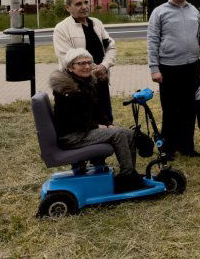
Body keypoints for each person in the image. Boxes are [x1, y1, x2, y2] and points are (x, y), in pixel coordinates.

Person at [49, 48, 145, 193]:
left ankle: (130, 173)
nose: (87, 66)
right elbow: (71, 120)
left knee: (129, 134)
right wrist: (97, 126)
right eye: (81, 63)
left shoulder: (86, 81)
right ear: (70, 67)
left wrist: (107, 124)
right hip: (72, 135)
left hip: (83, 130)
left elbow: (98, 109)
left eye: (89, 62)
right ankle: (127, 179)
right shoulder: (66, 89)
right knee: (117, 134)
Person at [147, 0, 200, 157]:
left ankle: (186, 146)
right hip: (169, 68)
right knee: (171, 110)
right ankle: (168, 148)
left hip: (192, 67)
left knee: (190, 109)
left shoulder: (193, 10)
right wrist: (154, 68)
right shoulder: (159, 12)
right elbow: (152, 41)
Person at [53, 0, 116, 122]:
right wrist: (94, 69)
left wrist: (104, 66)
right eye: (78, 4)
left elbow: (110, 46)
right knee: (88, 123)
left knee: (106, 119)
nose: (84, 7)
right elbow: (68, 58)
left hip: (101, 79)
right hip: (79, 87)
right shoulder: (62, 28)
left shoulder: (97, 23)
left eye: (86, 2)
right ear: (67, 7)